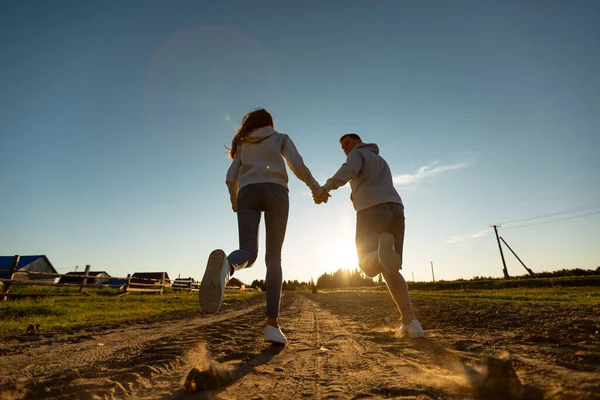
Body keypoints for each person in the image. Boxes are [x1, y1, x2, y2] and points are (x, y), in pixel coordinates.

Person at [200, 108, 325, 345]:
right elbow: (298, 165)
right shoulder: (280, 138)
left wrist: (234, 199)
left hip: (247, 193)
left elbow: (230, 177)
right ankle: (272, 326)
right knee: (273, 258)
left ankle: (227, 267)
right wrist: (315, 188)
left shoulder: (243, 143)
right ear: (270, 124)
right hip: (276, 190)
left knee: (248, 251)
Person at [314, 133, 424, 338]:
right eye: (342, 147)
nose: (345, 149)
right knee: (391, 267)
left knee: (367, 265)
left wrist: (326, 187)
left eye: (347, 144)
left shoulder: (357, 154)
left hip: (372, 211)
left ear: (357, 141)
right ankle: (411, 322)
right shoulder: (381, 160)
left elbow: (348, 171)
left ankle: (381, 252)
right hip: (396, 209)